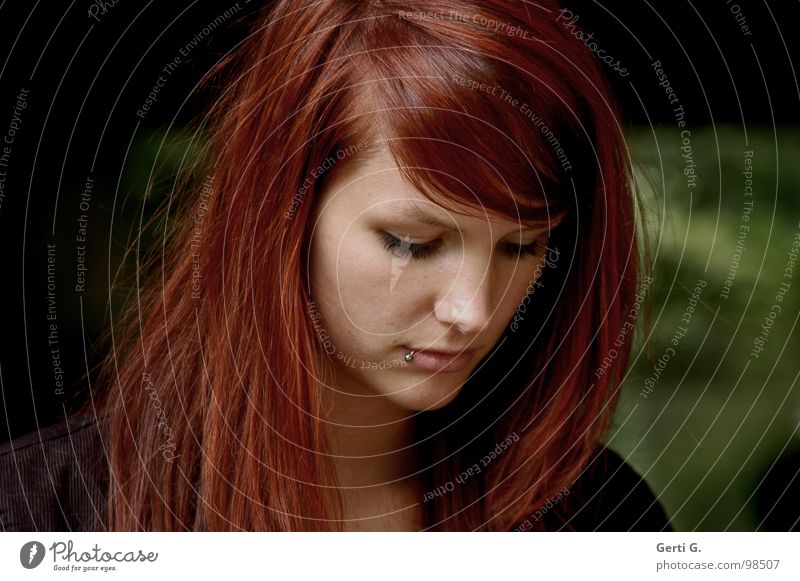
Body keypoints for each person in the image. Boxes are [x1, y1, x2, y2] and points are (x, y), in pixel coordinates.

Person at [0, 0, 670, 532]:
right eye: (411, 242)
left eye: (522, 248)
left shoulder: (593, 518)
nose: (474, 310)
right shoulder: (41, 513)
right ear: (281, 210)